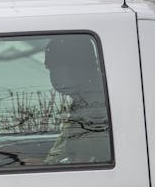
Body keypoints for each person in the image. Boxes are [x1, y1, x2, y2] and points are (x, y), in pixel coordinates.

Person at [42, 35, 111, 165]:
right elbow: (63, 152)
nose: (53, 74)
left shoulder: (96, 107)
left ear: (80, 67)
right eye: (50, 68)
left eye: (55, 67)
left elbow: (81, 160)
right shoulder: (83, 99)